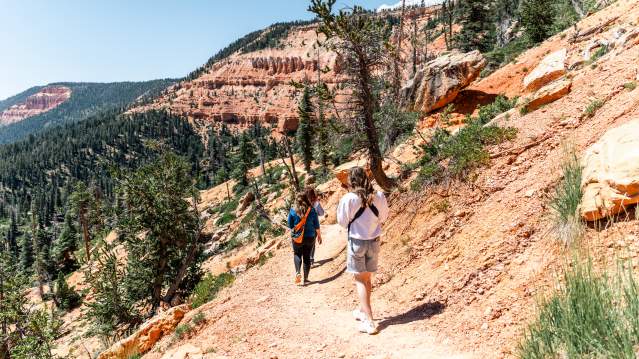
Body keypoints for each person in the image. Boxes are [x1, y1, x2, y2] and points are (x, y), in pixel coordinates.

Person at [337, 167, 389, 334]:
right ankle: (362, 310)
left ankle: (369, 321)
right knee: (367, 279)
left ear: (351, 181)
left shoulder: (348, 199)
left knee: (360, 279)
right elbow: (384, 217)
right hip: (374, 241)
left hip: (357, 241)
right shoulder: (379, 195)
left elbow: (342, 222)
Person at [288, 193, 321, 285]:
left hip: (297, 237)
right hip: (310, 236)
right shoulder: (312, 210)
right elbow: (316, 225)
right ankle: (306, 279)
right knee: (307, 256)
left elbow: (290, 225)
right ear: (307, 199)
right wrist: (319, 236)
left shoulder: (293, 210)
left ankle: (298, 272)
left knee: (297, 254)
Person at [305, 186, 325, 265]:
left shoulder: (302, 203)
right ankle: (311, 259)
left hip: (303, 227)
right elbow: (321, 213)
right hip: (313, 226)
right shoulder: (315, 203)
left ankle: (307, 259)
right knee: (312, 243)